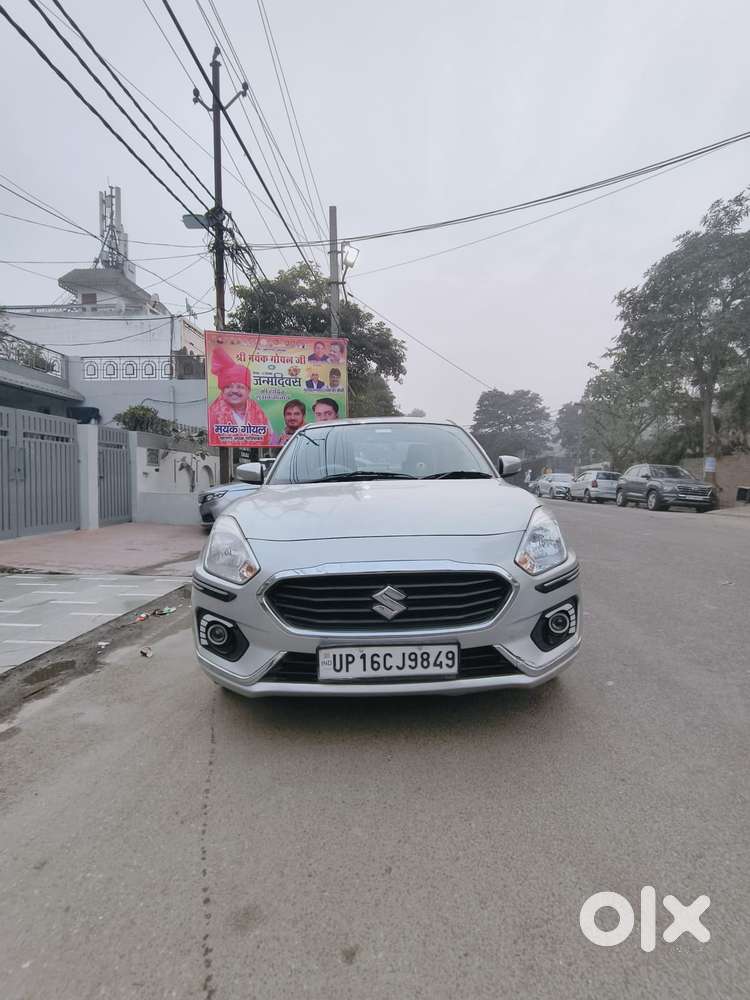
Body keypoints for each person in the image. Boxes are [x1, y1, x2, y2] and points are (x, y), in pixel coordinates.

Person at [207, 346, 270, 443]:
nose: (234, 391)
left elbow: (269, 438)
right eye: (228, 386)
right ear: (222, 390)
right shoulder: (213, 414)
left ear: (248, 391)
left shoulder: (258, 413)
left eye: (240, 387)